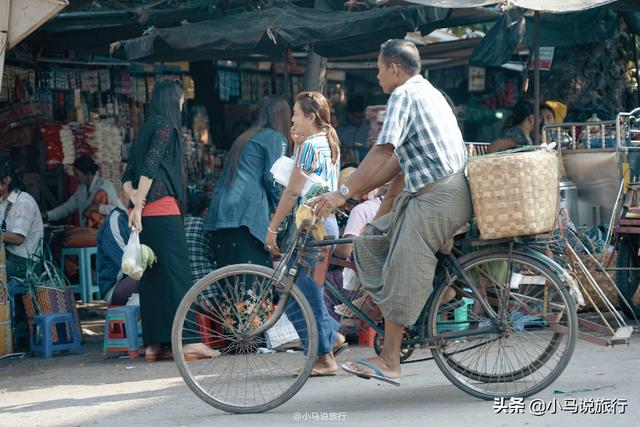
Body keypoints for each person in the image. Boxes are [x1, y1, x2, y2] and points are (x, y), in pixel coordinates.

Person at [312, 39, 471, 384]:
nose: (378, 76)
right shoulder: (426, 91)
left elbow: (382, 152)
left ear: (394, 68)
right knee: (371, 240)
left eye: (380, 69)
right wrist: (356, 191)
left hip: (438, 196)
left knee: (403, 262)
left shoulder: (404, 95)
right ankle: (388, 310)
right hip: (434, 193)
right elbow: (395, 161)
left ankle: (390, 358)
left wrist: (343, 193)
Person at [122, 79, 216, 362]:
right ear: (172, 101)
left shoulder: (144, 130)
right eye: (180, 99)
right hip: (163, 212)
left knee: (152, 279)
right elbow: (149, 168)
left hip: (147, 217)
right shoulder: (166, 126)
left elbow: (127, 177)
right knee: (178, 277)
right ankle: (187, 342)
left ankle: (155, 345)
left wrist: (137, 205)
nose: (182, 103)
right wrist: (138, 205)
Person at [265, 91, 346, 377]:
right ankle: (331, 338)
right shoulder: (327, 142)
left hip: (313, 226)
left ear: (311, 117)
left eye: (296, 115)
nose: (293, 121)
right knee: (309, 290)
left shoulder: (311, 145)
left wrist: (272, 228)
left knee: (296, 292)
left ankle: (323, 357)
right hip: (324, 225)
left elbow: (292, 192)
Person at [205, 96, 291, 268]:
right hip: (245, 214)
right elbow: (273, 178)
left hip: (223, 213)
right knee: (253, 279)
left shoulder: (246, 136)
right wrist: (283, 209)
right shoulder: (276, 138)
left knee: (230, 281)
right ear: (283, 117)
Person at [43, 155, 124, 229]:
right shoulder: (81, 189)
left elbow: (119, 211)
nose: (75, 177)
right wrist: (47, 215)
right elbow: (67, 208)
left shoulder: (106, 187)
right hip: (88, 234)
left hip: (106, 234)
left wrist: (98, 207)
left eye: (77, 174)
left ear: (88, 175)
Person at [0, 167, 43, 280]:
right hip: (9, 257)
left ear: (7, 180)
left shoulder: (24, 202)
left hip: (26, 263)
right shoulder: (2, 202)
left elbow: (18, 239)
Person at [96, 207, 139, 305]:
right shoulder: (115, 220)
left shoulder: (142, 218)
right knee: (151, 276)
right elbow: (130, 266)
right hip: (114, 288)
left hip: (134, 280)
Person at [185, 189, 215, 285]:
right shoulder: (206, 226)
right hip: (207, 286)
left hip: (185, 290)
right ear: (206, 210)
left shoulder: (179, 225)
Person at [337, 95, 371, 163]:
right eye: (358, 117)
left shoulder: (370, 129)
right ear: (349, 115)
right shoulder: (340, 131)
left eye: (363, 117)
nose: (361, 120)